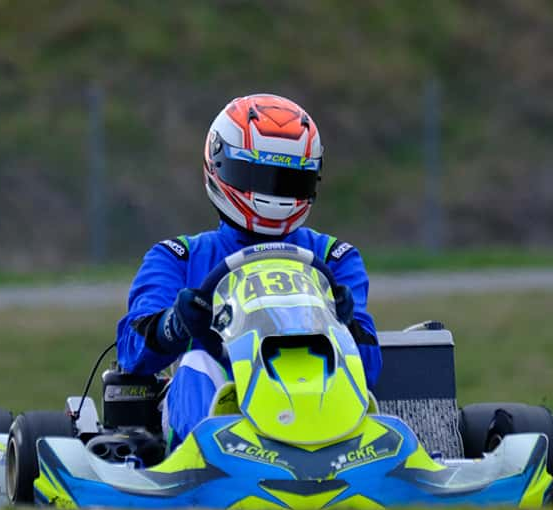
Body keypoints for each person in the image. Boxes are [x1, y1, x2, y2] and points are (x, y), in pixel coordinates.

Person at [116, 93, 382, 448]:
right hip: (223, 398)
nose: (272, 195)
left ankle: (341, 450)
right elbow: (131, 352)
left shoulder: (334, 258)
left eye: (287, 182)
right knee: (197, 361)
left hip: (318, 398)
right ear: (220, 166)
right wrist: (175, 325)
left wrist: (345, 324)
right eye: (257, 176)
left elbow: (371, 368)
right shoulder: (178, 257)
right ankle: (203, 459)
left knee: (340, 363)